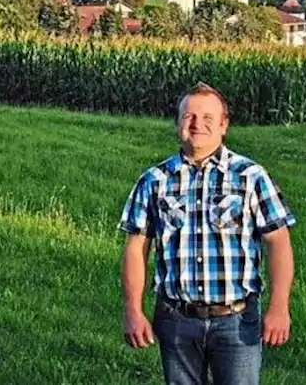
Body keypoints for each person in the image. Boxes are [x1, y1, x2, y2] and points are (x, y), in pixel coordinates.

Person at [119, 82, 296, 385]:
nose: (197, 124)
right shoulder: (154, 181)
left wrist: (279, 307)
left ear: (224, 125)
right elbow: (136, 248)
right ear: (178, 122)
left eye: (208, 118)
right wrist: (132, 310)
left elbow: (278, 241)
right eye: (189, 117)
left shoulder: (250, 176)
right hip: (176, 320)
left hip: (237, 320)